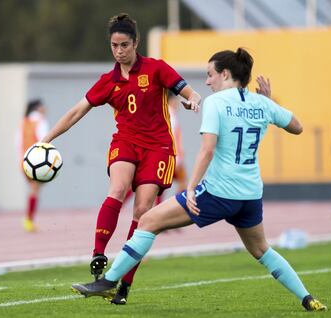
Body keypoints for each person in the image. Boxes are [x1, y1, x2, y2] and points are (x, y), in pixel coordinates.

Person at [71, 48, 327, 312]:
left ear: (225, 74)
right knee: (262, 250)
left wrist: (191, 188)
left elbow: (207, 150)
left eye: (210, 75)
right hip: (250, 195)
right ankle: (308, 298)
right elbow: (297, 126)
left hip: (219, 191)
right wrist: (269, 103)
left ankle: (110, 281)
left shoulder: (216, 102)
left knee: (147, 221)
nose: (207, 82)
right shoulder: (261, 103)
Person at [41, 13, 201, 304]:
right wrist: (47, 139)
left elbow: (185, 89)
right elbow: (77, 111)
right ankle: (98, 254)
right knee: (117, 189)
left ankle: (123, 281)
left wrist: (194, 98)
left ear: (135, 43)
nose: (119, 51)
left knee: (142, 211)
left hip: (158, 147)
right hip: (126, 142)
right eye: (114, 45)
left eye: (124, 45)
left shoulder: (156, 69)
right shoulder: (108, 81)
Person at [17, 99, 49, 232]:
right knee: (35, 191)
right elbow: (44, 139)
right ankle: (29, 220)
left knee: (33, 190)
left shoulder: (23, 122)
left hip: (24, 161)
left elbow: (17, 142)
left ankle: (29, 218)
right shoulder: (40, 121)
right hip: (37, 161)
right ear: (38, 107)